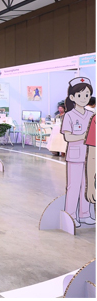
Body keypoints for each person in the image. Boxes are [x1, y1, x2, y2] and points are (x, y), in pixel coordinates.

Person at [61, 77, 94, 227]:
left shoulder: (91, 115)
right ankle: (70, 215)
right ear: (72, 97)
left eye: (87, 95)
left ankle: (85, 214)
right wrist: (84, 136)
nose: (84, 98)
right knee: (73, 187)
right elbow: (68, 137)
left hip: (90, 156)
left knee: (87, 186)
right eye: (80, 95)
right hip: (75, 156)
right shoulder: (69, 115)